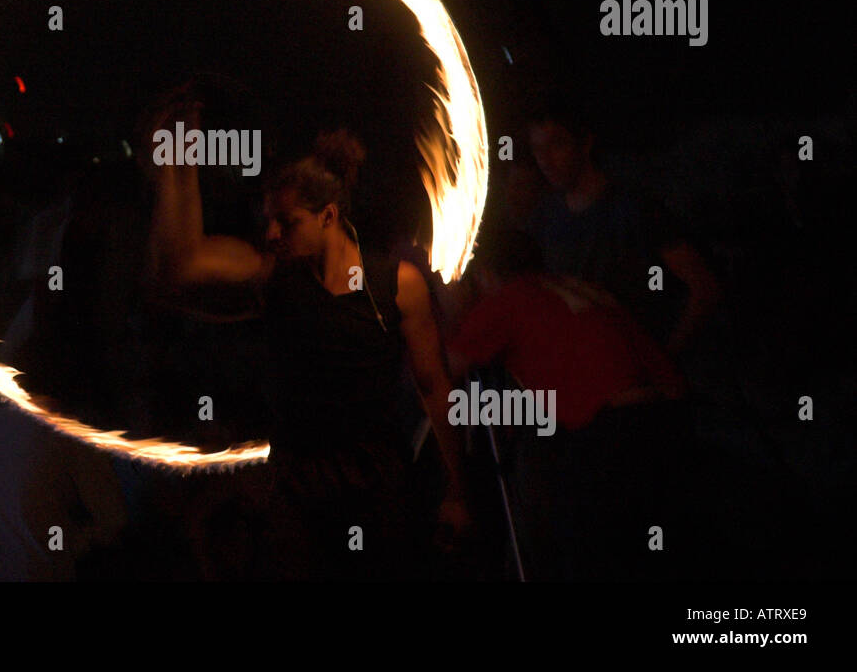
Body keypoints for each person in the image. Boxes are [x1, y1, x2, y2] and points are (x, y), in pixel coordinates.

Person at [144, 93, 470, 579]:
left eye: (287, 221)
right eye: (269, 219)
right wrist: (177, 165)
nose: (272, 231)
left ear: (329, 215)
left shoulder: (396, 286)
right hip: (298, 486)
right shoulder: (272, 277)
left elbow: (434, 387)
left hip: (377, 483)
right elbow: (180, 267)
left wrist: (458, 493)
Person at [446, 226, 695, 580]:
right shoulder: (576, 287)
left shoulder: (506, 299)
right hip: (673, 419)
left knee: (585, 549)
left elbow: (441, 370)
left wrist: (447, 307)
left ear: (485, 274)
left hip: (613, 431)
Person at [524, 99, 721, 361]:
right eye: (537, 149)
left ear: (585, 144)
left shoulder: (634, 208)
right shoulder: (545, 215)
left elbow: (703, 287)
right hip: (585, 368)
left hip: (635, 370)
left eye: (556, 145)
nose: (545, 160)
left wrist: (665, 358)